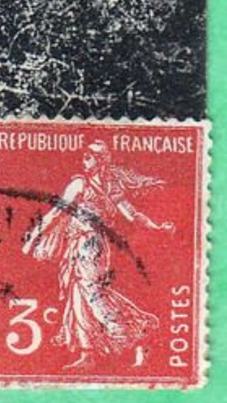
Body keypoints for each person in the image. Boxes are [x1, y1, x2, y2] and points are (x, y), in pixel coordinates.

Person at [22, 140, 172, 370]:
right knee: (78, 294)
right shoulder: (98, 185)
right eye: (84, 156)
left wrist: (33, 238)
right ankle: (87, 353)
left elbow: (57, 213)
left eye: (89, 156)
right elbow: (58, 214)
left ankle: (125, 330)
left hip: (87, 244)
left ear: (100, 160)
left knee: (90, 291)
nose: (84, 159)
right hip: (89, 244)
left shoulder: (83, 185)